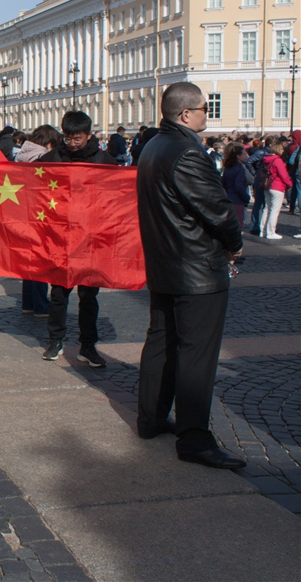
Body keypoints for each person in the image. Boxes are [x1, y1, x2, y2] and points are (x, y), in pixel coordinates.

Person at [136, 82, 245, 470]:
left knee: (161, 343)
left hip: (165, 263)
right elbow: (216, 210)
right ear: (185, 115)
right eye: (204, 109)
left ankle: (149, 418)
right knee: (196, 354)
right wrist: (235, 246)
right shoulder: (187, 151)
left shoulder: (152, 146)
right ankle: (194, 438)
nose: (207, 115)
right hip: (196, 269)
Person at [38, 111, 116, 367]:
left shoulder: (103, 160)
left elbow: (118, 193)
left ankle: (88, 346)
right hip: (60, 240)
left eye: (77, 139)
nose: (72, 143)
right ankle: (55, 340)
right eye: (68, 138)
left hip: (91, 240)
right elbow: (29, 182)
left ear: (89, 135)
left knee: (89, 296)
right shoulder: (52, 158)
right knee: (59, 294)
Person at [15, 125, 61, 317]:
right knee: (41, 259)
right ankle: (41, 304)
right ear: (50, 142)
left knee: (28, 259)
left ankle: (28, 302)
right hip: (40, 213)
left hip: (22, 211)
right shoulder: (43, 158)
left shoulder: (21, 155)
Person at [259, 141, 293, 240]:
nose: (283, 151)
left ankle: (262, 230)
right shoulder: (277, 160)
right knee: (274, 210)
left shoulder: (266, 159)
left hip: (267, 186)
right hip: (277, 186)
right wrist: (289, 184)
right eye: (282, 149)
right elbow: (283, 175)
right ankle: (270, 232)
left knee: (267, 208)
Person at [221, 142, 251, 226]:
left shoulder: (228, 167)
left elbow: (224, 183)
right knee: (237, 226)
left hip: (229, 198)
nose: (247, 156)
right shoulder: (239, 169)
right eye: (244, 154)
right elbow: (239, 187)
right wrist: (246, 197)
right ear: (238, 156)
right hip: (237, 200)